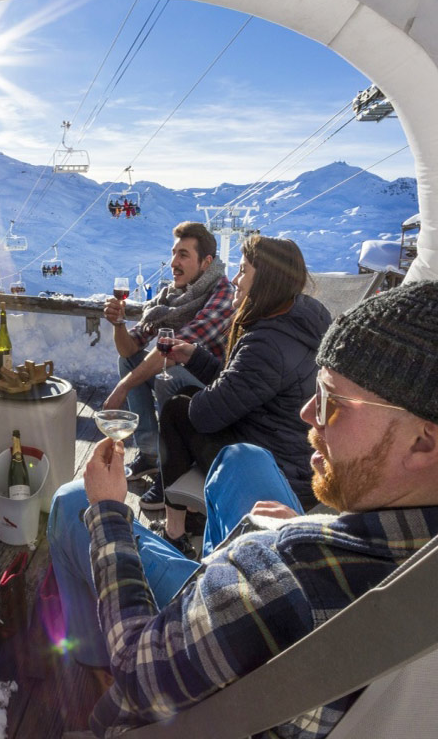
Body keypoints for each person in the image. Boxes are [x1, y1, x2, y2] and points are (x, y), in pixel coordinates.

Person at [48, 279, 438, 737]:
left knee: (75, 501)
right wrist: (311, 531)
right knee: (243, 459)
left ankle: (90, 662)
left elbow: (138, 673)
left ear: (423, 441)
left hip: (193, 673)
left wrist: (110, 513)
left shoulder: (287, 577)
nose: (308, 413)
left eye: (333, 402)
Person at [151, 235, 331, 556]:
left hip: (278, 474)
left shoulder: (267, 344)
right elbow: (243, 386)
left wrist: (203, 386)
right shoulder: (302, 318)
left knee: (179, 408)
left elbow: (205, 414)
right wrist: (196, 357)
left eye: (243, 270)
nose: (235, 279)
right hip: (299, 457)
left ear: (265, 278)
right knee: (189, 396)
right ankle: (191, 518)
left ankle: (175, 530)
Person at [102, 221, 233, 488]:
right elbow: (131, 348)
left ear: (206, 262)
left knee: (168, 375)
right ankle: (150, 454)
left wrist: (123, 387)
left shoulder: (223, 294)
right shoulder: (172, 295)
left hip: (215, 391)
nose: (173, 262)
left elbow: (174, 351)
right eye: (173, 253)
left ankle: (172, 465)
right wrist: (118, 324)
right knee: (129, 361)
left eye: (183, 255)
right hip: (183, 376)